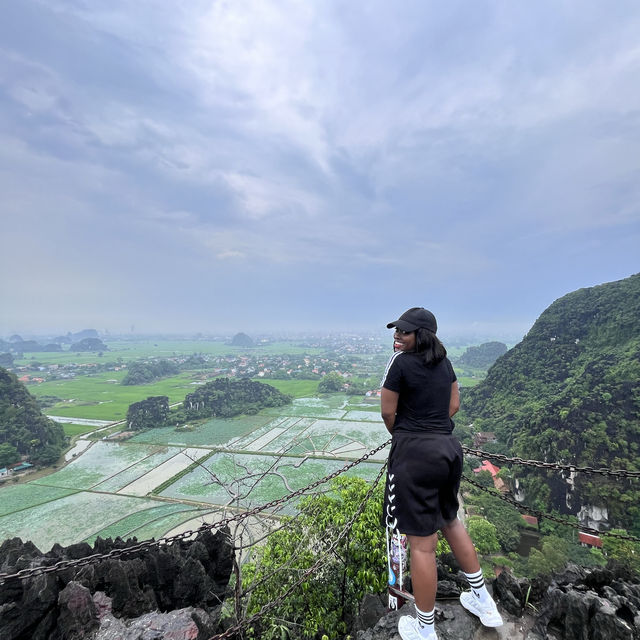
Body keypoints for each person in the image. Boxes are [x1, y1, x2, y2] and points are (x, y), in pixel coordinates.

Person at [380, 307, 502, 640]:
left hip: (415, 454)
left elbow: (388, 412)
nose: (397, 336)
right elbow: (453, 406)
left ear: (420, 335)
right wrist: (431, 427)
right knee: (450, 520)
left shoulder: (400, 364)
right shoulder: (444, 364)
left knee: (421, 546)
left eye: (404, 331)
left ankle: (425, 627)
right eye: (396, 331)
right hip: (448, 450)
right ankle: (483, 601)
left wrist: (408, 433)